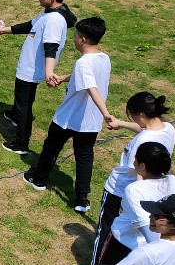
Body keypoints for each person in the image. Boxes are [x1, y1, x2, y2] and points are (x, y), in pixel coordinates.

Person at [23, 16, 112, 212]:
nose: (74, 39)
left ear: (82, 39)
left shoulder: (83, 63)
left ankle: (38, 178)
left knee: (51, 147)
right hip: (90, 121)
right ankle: (82, 199)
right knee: (85, 157)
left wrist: (106, 113)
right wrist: (63, 78)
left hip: (69, 117)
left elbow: (90, 86)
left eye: (76, 35)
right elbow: (85, 77)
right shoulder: (104, 58)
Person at [0, 0, 75, 154]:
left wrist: (49, 72)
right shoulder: (48, 14)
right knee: (22, 102)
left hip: (31, 70)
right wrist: (3, 30)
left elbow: (51, 46)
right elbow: (30, 26)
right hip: (28, 67)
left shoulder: (54, 20)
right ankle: (15, 116)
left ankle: (21, 143)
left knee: (24, 105)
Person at [91, 93, 175, 265]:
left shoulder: (142, 141)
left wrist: (135, 197)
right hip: (150, 192)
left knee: (105, 230)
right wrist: (121, 123)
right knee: (131, 236)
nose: (134, 120)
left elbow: (138, 173)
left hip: (119, 191)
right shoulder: (167, 128)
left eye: (133, 116)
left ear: (141, 114)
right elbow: (145, 128)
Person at [105, 144, 175, 261]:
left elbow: (148, 230)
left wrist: (161, 258)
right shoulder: (173, 181)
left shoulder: (133, 190)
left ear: (143, 166)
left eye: (135, 159)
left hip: (124, 245)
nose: (133, 163)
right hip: (159, 246)